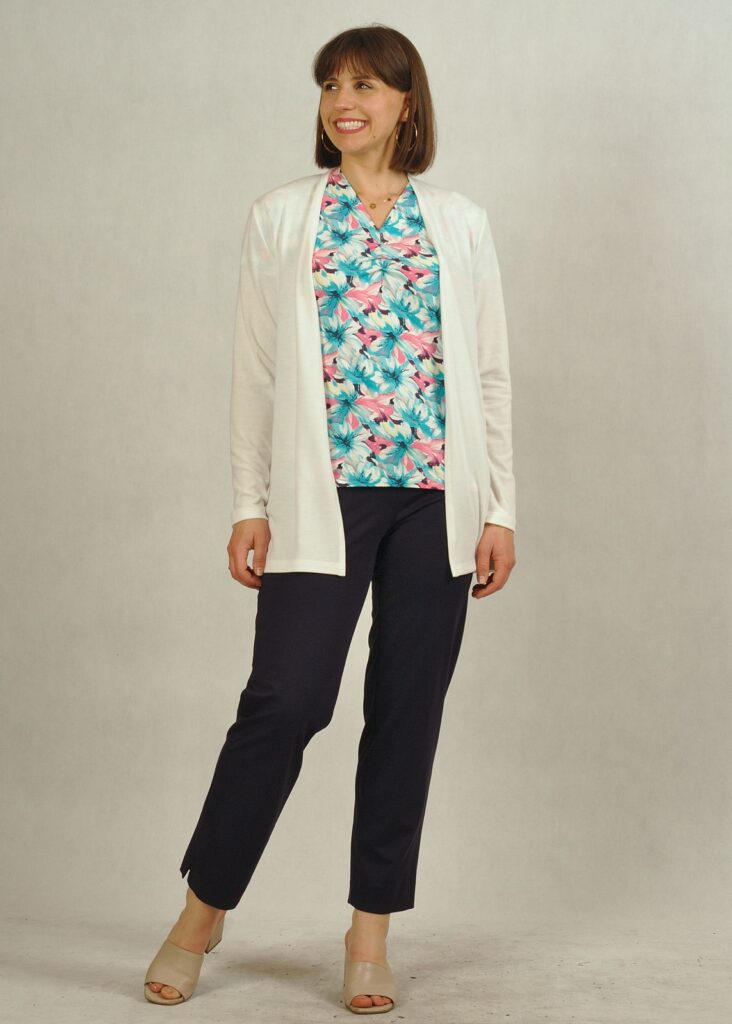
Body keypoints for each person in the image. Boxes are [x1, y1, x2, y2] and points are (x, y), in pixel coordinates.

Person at [143, 23, 517, 1014]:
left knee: (406, 711)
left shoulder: (459, 223)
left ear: (406, 104)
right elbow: (256, 373)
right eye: (332, 86)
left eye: (367, 86)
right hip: (323, 499)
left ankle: (369, 933)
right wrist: (248, 502)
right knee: (285, 701)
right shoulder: (282, 217)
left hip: (437, 503)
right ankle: (202, 910)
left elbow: (487, 374)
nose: (345, 101)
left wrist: (500, 507)